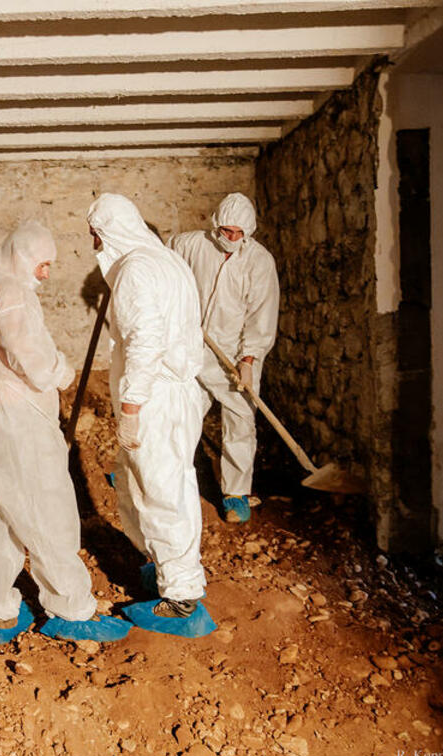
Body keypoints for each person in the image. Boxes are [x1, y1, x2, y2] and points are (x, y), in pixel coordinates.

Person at [0, 220, 132, 644]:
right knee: (45, 507)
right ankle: (71, 610)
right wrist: (61, 372)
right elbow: (28, 353)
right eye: (43, 264)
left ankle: (0, 614)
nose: (46, 275)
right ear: (22, 257)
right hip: (12, 417)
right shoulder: (11, 292)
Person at [86, 194, 212, 627]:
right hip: (177, 394)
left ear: (106, 233)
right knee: (143, 484)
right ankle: (163, 568)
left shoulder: (136, 270)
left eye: (94, 235)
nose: (93, 244)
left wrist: (132, 405)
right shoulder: (167, 261)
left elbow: (145, 341)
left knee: (161, 492)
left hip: (155, 397)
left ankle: (181, 600)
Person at [168, 193, 280, 524]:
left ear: (249, 232)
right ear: (215, 224)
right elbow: (161, 266)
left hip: (234, 354)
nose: (231, 238)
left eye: (238, 233)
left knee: (240, 421)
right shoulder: (190, 245)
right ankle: (158, 477)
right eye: (226, 231)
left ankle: (236, 494)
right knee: (180, 415)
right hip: (193, 348)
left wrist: (249, 359)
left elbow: (261, 315)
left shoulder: (260, 262)